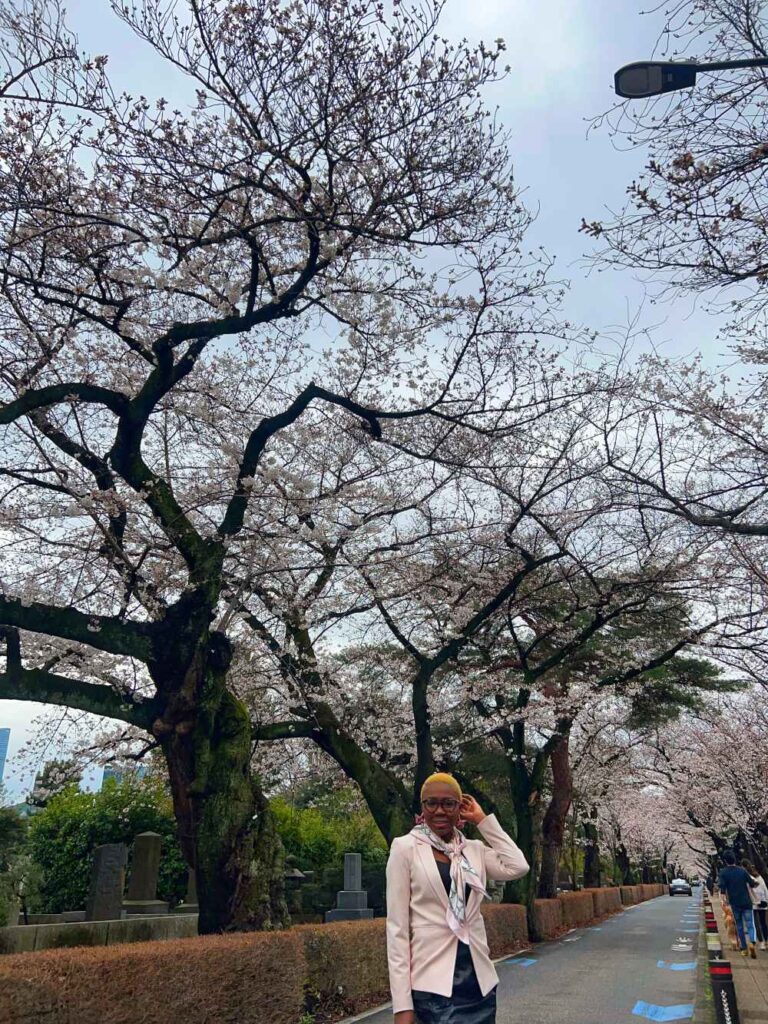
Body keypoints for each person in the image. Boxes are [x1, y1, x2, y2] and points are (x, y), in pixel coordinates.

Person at [386, 772, 529, 1024]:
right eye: (432, 803)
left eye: (448, 803)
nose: (439, 810)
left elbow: (517, 866)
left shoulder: (473, 850)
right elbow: (396, 930)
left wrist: (484, 821)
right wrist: (402, 1005)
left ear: (459, 808)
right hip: (433, 987)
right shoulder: (405, 848)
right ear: (422, 807)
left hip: (478, 984)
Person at [718, 850, 759, 958]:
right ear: (734, 859)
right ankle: (752, 942)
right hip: (746, 902)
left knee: (739, 926)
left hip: (734, 903)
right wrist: (755, 884)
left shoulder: (723, 873)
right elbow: (752, 883)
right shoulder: (742, 871)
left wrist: (723, 902)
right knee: (750, 924)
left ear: (725, 861)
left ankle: (744, 949)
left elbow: (722, 889)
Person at [742, 859, 768, 952]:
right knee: (763, 923)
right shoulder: (760, 878)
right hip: (761, 902)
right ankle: (765, 941)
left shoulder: (747, 879)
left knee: (756, 924)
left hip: (753, 903)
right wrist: (765, 900)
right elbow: (765, 890)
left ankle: (761, 942)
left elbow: (747, 892)